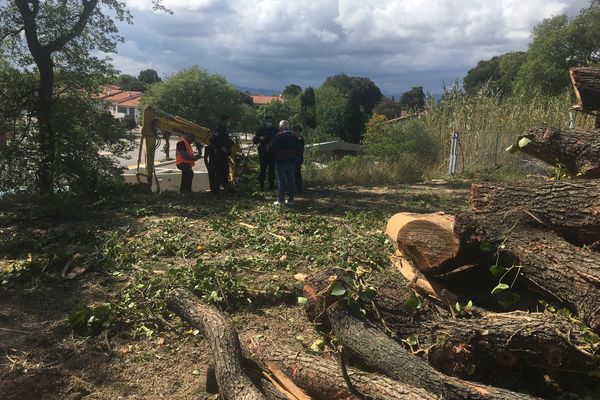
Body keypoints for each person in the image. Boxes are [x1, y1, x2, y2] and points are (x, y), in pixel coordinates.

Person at [267, 120, 300, 206]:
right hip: (291, 161)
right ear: (288, 127)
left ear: (280, 128)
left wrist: (274, 155)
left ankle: (281, 200)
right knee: (291, 181)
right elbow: (298, 149)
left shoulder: (278, 136)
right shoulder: (294, 136)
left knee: (281, 181)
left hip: (280, 161)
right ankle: (290, 200)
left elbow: (270, 147)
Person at [207, 114, 233, 195]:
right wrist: (221, 147)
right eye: (228, 121)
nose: (229, 122)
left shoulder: (224, 130)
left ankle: (225, 188)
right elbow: (213, 140)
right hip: (218, 155)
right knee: (218, 172)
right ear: (225, 120)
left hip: (224, 155)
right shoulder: (218, 130)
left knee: (225, 172)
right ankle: (216, 192)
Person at [253, 116, 278, 191]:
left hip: (272, 153)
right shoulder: (261, 130)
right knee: (262, 169)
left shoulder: (275, 130)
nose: (268, 122)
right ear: (265, 122)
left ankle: (271, 186)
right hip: (263, 152)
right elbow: (254, 140)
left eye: (270, 121)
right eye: (267, 121)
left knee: (272, 169)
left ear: (272, 122)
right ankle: (261, 186)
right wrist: (260, 138)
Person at [292, 124, 305, 193]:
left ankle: (298, 188)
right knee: (295, 174)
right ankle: (296, 188)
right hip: (296, 158)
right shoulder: (297, 138)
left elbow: (298, 149)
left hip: (297, 158)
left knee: (297, 174)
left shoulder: (300, 139)